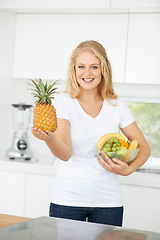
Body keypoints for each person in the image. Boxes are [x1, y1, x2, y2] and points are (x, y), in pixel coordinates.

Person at [31, 40, 151, 226]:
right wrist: (51, 139)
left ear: (104, 69)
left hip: (109, 202)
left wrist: (127, 169)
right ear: (74, 70)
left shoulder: (116, 106)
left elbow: (144, 148)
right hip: (68, 200)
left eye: (94, 67)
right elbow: (65, 154)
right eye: (81, 66)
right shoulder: (64, 102)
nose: (87, 73)